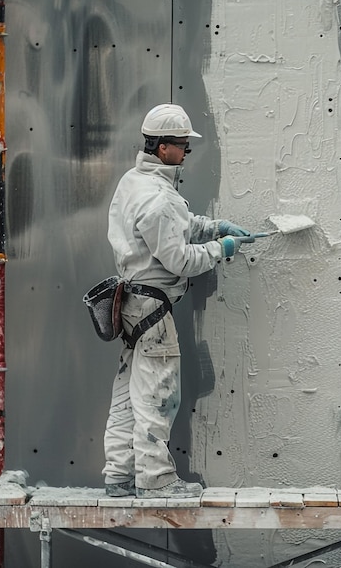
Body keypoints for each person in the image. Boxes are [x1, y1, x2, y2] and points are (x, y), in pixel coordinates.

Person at [103, 103, 254, 498]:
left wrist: (213, 226)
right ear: (164, 147)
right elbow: (181, 260)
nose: (187, 153)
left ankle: (119, 476)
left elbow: (174, 226)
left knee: (128, 394)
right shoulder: (159, 197)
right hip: (153, 310)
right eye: (184, 147)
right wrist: (221, 248)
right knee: (158, 394)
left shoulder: (134, 182)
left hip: (132, 305)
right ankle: (155, 481)